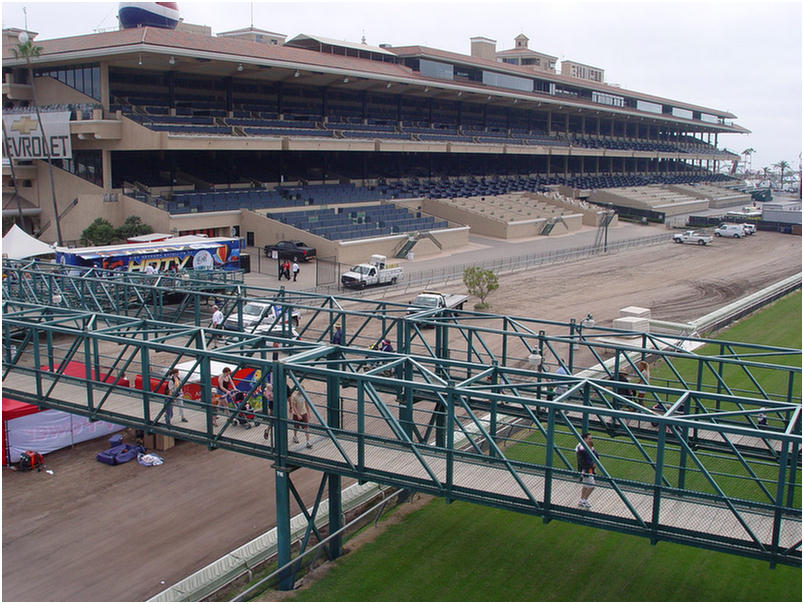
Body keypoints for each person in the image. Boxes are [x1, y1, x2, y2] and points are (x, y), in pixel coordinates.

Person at [575, 432, 598, 509]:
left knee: (585, 485)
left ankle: (582, 500)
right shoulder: (582, 449)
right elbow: (583, 461)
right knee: (592, 486)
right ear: (585, 439)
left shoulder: (586, 447)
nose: (591, 440)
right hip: (586, 470)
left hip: (587, 469)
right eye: (589, 439)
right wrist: (592, 465)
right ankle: (584, 500)